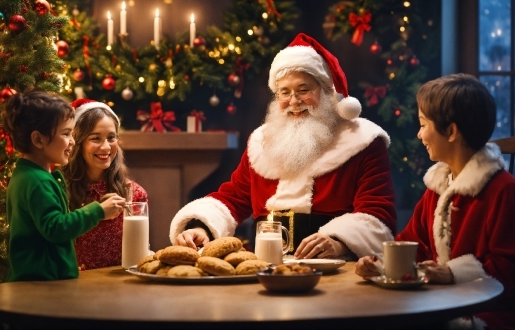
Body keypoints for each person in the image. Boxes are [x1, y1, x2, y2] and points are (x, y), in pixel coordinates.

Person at [170, 33, 396, 260]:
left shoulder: (362, 141)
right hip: (266, 267)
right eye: (284, 92)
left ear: (327, 92)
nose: (294, 101)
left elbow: (377, 213)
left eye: (304, 90)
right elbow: (234, 198)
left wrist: (338, 241)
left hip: (336, 268)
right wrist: (201, 228)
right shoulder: (261, 142)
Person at [355, 73, 515, 329]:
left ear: (452, 131)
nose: (420, 135)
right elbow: (413, 243)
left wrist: (455, 273)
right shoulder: (437, 189)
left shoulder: (503, 191)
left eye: (424, 124)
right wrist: (380, 263)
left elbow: (513, 267)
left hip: (491, 313)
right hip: (443, 303)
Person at [2, 90, 126, 282]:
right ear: (38, 140)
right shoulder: (38, 181)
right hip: (41, 284)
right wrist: (98, 211)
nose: (72, 141)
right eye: (66, 134)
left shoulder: (31, 175)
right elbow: (56, 228)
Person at [62, 99, 148, 270]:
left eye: (111, 138)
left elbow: (139, 252)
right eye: (95, 139)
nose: (105, 147)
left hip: (120, 289)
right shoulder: (60, 189)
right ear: (77, 142)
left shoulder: (134, 193)